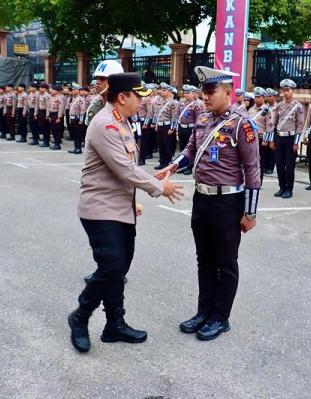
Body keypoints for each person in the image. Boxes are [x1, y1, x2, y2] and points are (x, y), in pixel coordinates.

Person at [67, 72, 183, 353]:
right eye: (138, 97)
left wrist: (145, 186)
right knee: (111, 267)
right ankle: (80, 317)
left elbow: (125, 168)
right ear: (122, 97)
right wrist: (159, 187)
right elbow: (124, 169)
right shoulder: (105, 124)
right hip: (99, 210)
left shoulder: (122, 122)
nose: (142, 102)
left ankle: (114, 325)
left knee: (119, 269)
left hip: (120, 209)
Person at [156, 66, 261, 341]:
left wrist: (250, 212)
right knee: (204, 259)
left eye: (210, 91)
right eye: (203, 91)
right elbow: (191, 150)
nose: (205, 96)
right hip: (202, 198)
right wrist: (172, 167)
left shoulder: (242, 123)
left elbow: (252, 169)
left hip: (227, 202)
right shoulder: (202, 117)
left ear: (229, 93)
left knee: (226, 262)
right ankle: (203, 311)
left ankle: (220, 317)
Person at [271, 79, 304, 198]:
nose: (286, 93)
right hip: (280, 138)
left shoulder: (298, 106)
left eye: (288, 90)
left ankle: (289, 189)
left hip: (291, 139)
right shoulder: (279, 105)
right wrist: (273, 140)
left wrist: (296, 143)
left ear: (292, 91)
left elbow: (300, 125)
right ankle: (282, 187)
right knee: (279, 165)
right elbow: (274, 123)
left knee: (289, 166)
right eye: (284, 90)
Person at [174, 85, 205, 175]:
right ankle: (183, 165)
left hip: (190, 129)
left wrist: (196, 131)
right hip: (182, 127)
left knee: (190, 149)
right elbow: (179, 116)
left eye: (188, 93)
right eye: (185, 92)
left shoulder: (197, 104)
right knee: (183, 147)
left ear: (193, 94)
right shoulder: (182, 103)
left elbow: (199, 119)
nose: (186, 94)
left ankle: (190, 166)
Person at [85, 60, 124, 126]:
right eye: (96, 78)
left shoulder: (125, 107)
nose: (97, 82)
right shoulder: (94, 108)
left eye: (102, 79)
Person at [151, 82, 178, 170]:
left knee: (167, 145)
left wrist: (172, 128)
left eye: (164, 90)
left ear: (169, 91)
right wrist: (156, 125)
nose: (161, 92)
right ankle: (162, 162)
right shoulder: (161, 101)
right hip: (160, 126)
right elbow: (157, 114)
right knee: (161, 145)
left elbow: (175, 117)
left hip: (167, 127)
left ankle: (167, 162)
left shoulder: (173, 102)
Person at [249, 87, 270, 182]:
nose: (257, 99)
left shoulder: (267, 110)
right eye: (255, 97)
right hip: (250, 138)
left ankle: (258, 181)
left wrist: (266, 140)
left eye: (259, 97)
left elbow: (269, 126)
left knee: (260, 162)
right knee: (250, 161)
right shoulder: (251, 109)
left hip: (261, 138)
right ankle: (250, 179)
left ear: (264, 98)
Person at [68, 83, 86, 154]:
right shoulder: (74, 99)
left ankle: (79, 149)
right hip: (73, 119)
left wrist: (81, 120)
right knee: (74, 134)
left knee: (78, 134)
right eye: (72, 89)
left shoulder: (81, 99)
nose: (73, 91)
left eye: (74, 89)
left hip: (77, 119)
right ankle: (75, 147)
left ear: (78, 91)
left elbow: (82, 110)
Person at [48, 85, 66, 150]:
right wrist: (49, 116)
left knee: (57, 130)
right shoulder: (52, 97)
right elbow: (50, 107)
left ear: (56, 91)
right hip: (52, 114)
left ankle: (57, 145)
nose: (51, 91)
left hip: (57, 115)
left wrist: (59, 117)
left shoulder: (60, 98)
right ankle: (55, 143)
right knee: (53, 130)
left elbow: (61, 108)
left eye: (52, 90)